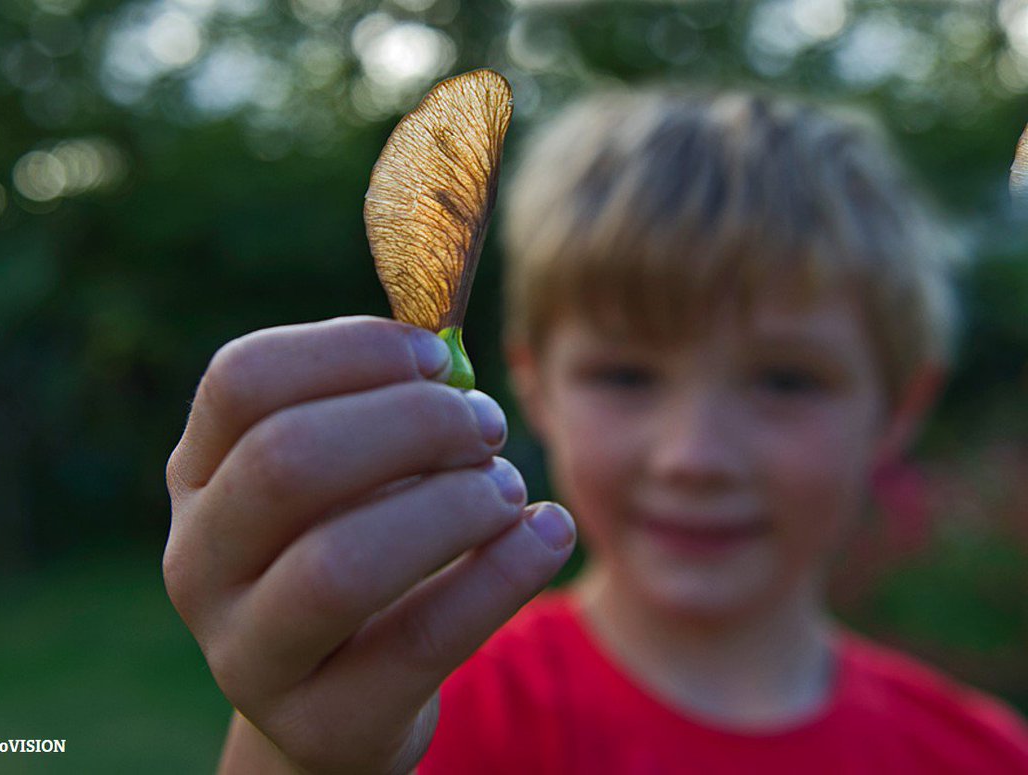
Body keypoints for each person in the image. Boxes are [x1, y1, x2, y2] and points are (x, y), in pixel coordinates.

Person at [163, 85, 1028, 774]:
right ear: (534, 385)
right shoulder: (427, 710)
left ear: (899, 408)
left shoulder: (986, 755)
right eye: (625, 375)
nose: (694, 457)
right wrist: (296, 754)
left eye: (785, 380)